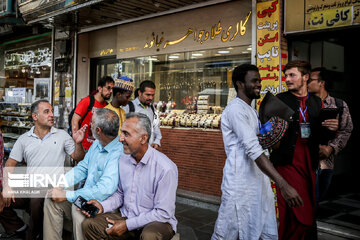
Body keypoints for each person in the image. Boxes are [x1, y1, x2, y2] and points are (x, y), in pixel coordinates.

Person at [212, 64, 302, 240]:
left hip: (258, 184)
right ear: (240, 84)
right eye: (254, 81)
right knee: (227, 233)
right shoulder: (236, 110)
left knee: (264, 231)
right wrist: (283, 185)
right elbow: (253, 150)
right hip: (240, 186)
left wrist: (277, 130)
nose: (259, 84)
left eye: (259, 80)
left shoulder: (252, 111)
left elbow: (264, 146)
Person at [81, 112, 177, 240]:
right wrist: (102, 206)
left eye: (126, 134)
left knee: (150, 236)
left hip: (156, 222)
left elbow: (163, 213)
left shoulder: (165, 168)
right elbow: (120, 194)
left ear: (143, 138)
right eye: (121, 133)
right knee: (90, 225)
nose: (120, 139)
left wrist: (127, 225)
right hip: (127, 216)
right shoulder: (123, 159)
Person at [0, 99, 86, 239]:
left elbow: (79, 157)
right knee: (1, 197)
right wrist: (7, 186)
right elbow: (10, 163)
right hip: (29, 185)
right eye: (46, 112)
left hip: (51, 186)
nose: (52, 114)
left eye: (52, 111)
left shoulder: (62, 135)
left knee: (36, 199)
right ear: (35, 116)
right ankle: (18, 228)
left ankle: (33, 235)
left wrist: (78, 144)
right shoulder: (24, 139)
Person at [270, 61, 336, 239]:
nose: (287, 80)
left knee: (308, 212)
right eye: (286, 76)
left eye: (292, 75)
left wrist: (331, 129)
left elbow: (321, 136)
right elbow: (268, 136)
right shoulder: (279, 100)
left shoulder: (316, 103)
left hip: (310, 166)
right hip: (288, 165)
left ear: (305, 77)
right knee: (295, 213)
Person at [43, 108, 123, 240]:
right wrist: (60, 185)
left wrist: (67, 195)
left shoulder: (118, 152)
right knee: (51, 200)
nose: (89, 125)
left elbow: (104, 189)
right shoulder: (98, 143)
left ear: (98, 130)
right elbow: (83, 168)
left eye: (91, 123)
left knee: (77, 209)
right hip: (85, 196)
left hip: (103, 203)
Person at [308, 67, 353, 201]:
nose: (306, 83)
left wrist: (331, 148)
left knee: (318, 199)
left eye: (310, 80)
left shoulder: (339, 104)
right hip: (306, 162)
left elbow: (347, 129)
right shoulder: (304, 104)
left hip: (326, 164)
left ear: (321, 83)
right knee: (308, 203)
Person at [72, 76, 114, 151]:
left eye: (112, 89)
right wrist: (76, 141)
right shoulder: (87, 101)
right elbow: (75, 119)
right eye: (108, 88)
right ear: (100, 88)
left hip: (98, 148)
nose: (111, 91)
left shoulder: (107, 106)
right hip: (84, 147)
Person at [124, 80, 161, 149]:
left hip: (149, 150)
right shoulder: (128, 107)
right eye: (148, 95)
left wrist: (156, 142)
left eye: (152, 95)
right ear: (139, 93)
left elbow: (156, 127)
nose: (151, 98)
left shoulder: (152, 109)